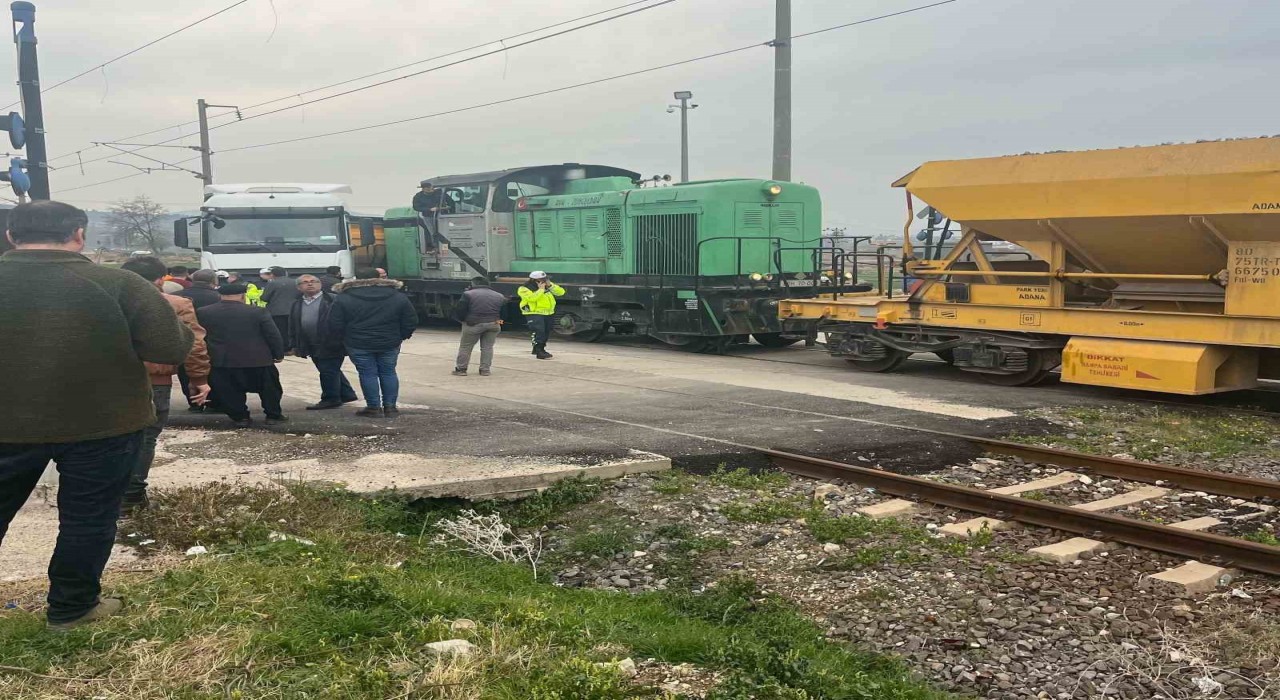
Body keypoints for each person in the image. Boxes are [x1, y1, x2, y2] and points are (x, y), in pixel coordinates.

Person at [0, 200, 193, 631]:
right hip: (102, 423)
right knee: (88, 519)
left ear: (12, 235)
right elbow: (170, 349)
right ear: (79, 234)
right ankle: (73, 610)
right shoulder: (119, 283)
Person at [119, 256, 212, 511]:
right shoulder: (175, 303)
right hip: (156, 380)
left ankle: (105, 494)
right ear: (161, 279)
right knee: (146, 437)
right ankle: (131, 497)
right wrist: (199, 378)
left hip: (109, 378)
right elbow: (193, 344)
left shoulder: (105, 300)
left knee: (108, 437)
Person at [330, 268, 418, 417]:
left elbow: (335, 322)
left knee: (367, 374)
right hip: (389, 342)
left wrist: (344, 338)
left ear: (357, 278)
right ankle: (391, 407)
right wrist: (401, 336)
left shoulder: (345, 297)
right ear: (379, 277)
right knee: (389, 372)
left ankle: (373, 407)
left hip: (358, 342)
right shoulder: (396, 295)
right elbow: (410, 319)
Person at [197, 282, 287, 428]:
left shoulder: (203, 312)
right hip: (258, 359)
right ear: (243, 296)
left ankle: (240, 418)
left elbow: (200, 336)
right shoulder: (257, 311)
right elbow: (272, 334)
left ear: (220, 296)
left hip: (222, 360)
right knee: (269, 389)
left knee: (229, 391)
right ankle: (273, 415)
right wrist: (278, 353)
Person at [288, 274, 359, 409]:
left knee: (328, 370)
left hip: (331, 342)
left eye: (313, 281)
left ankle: (330, 398)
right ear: (299, 287)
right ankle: (346, 393)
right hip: (309, 342)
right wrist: (294, 344)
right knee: (329, 369)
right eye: (305, 282)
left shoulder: (332, 300)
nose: (310, 284)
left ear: (320, 284)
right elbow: (293, 324)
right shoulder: (297, 303)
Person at [452, 276, 506, 376]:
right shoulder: (499, 296)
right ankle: (485, 370)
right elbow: (505, 314)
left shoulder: (468, 294)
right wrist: (499, 322)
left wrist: (463, 321)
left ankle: (461, 369)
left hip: (473, 324)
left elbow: (460, 310)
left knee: (466, 347)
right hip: (493, 324)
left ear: (473, 284)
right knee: (487, 348)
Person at [518, 270, 564, 360]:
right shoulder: (524, 288)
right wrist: (541, 290)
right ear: (534, 280)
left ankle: (537, 348)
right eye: (541, 280)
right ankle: (540, 351)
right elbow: (532, 299)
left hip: (548, 312)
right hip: (533, 312)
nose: (544, 281)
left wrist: (551, 286)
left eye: (545, 279)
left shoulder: (547, 286)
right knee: (539, 331)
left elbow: (561, 292)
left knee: (546, 331)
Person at [260, 265, 300, 340]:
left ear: (272, 274)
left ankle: (284, 349)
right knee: (293, 330)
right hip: (294, 310)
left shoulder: (272, 283)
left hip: (276, 312)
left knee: (281, 332)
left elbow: (264, 298)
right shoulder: (295, 282)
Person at [411, 181, 451, 250]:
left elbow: (449, 200)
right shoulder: (418, 196)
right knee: (433, 232)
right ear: (423, 189)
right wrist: (429, 209)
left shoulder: (438, 193)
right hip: (428, 216)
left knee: (445, 232)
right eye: (428, 189)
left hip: (442, 215)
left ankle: (446, 248)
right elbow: (416, 207)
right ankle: (437, 248)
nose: (431, 190)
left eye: (431, 188)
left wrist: (448, 206)